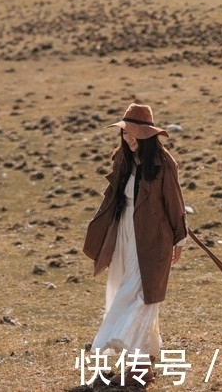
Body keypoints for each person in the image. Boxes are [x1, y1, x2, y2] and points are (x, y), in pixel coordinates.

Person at [83, 103, 188, 388]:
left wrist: (180, 237)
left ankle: (136, 367)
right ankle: (140, 369)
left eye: (134, 134)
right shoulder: (124, 160)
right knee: (123, 292)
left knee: (141, 299)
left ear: (147, 135)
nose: (129, 139)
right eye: (125, 133)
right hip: (124, 235)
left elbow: (174, 202)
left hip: (153, 240)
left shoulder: (164, 164)